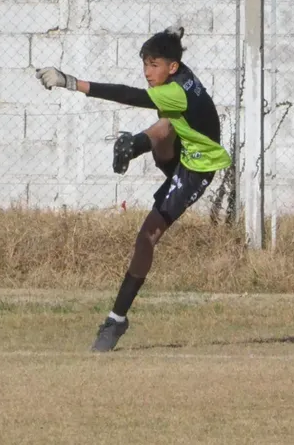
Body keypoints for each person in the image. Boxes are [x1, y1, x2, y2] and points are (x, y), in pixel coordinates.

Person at [34, 27, 231, 352]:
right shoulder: (181, 73)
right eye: (145, 64)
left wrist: (70, 82)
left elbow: (127, 95)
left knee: (147, 237)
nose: (147, 72)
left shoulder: (174, 92)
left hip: (197, 168)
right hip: (179, 148)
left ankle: (116, 319)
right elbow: (169, 65)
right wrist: (172, 36)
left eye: (154, 65)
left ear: (172, 67)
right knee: (166, 123)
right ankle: (134, 145)